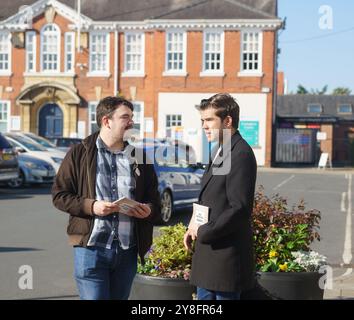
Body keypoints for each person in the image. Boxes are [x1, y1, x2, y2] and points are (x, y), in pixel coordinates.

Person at [52, 96, 160, 300]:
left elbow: (154, 200)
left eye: (132, 117)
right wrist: (91, 206)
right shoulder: (79, 153)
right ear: (106, 121)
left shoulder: (140, 158)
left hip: (127, 251)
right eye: (125, 117)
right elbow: (59, 195)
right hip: (91, 251)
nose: (131, 122)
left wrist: (148, 210)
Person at [184, 93, 257, 300]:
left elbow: (239, 208)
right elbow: (210, 196)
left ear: (227, 121)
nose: (204, 126)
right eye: (202, 121)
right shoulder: (220, 149)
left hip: (226, 259)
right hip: (208, 258)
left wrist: (204, 231)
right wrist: (192, 225)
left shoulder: (240, 153)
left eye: (209, 120)